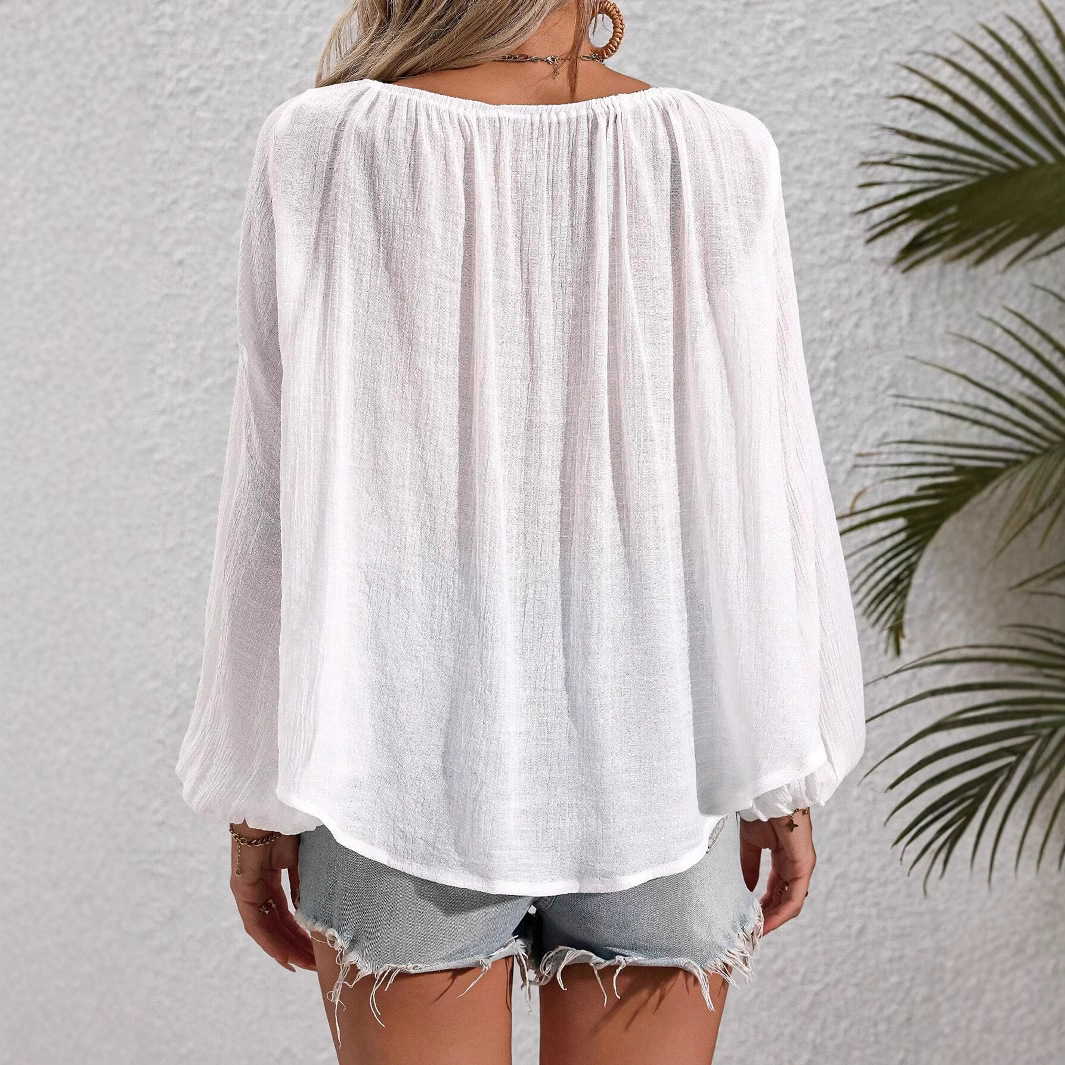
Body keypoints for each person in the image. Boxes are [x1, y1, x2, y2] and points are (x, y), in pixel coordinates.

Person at [174, 2, 867, 1062]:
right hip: (663, 735)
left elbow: (278, 493)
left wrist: (259, 797)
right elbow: (756, 490)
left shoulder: (327, 142)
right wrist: (780, 773)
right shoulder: (716, 150)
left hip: (396, 737)